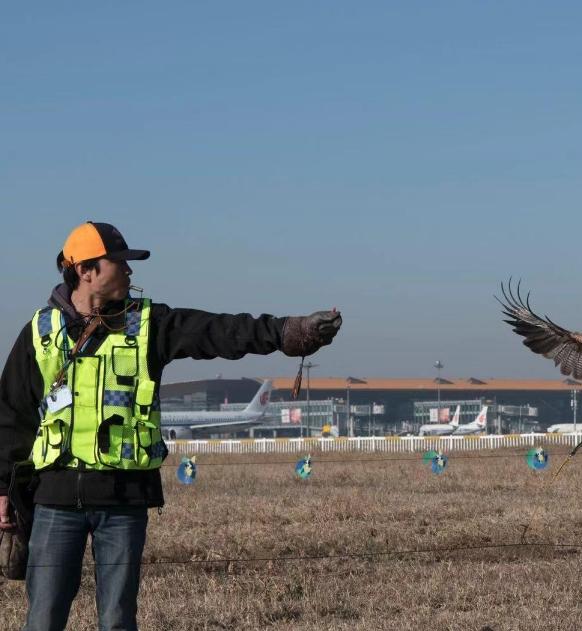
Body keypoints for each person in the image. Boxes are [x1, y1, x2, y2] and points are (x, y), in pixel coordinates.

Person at [0, 221, 342, 631]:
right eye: (120, 264)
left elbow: (219, 331)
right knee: (42, 619)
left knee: (117, 620)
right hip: (54, 501)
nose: (130, 272)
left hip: (124, 501)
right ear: (85, 270)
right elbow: (11, 416)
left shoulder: (149, 324)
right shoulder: (40, 332)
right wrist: (3, 489)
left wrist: (288, 331)